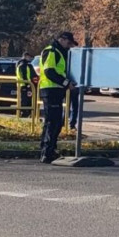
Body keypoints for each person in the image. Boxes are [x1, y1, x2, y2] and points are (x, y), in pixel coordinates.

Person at [38, 32, 76, 163]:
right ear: (61, 39)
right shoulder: (52, 51)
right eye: (68, 43)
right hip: (51, 89)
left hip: (54, 90)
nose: (69, 46)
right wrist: (66, 83)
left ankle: (47, 150)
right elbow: (50, 72)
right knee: (53, 122)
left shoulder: (58, 51)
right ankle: (47, 152)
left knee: (53, 121)